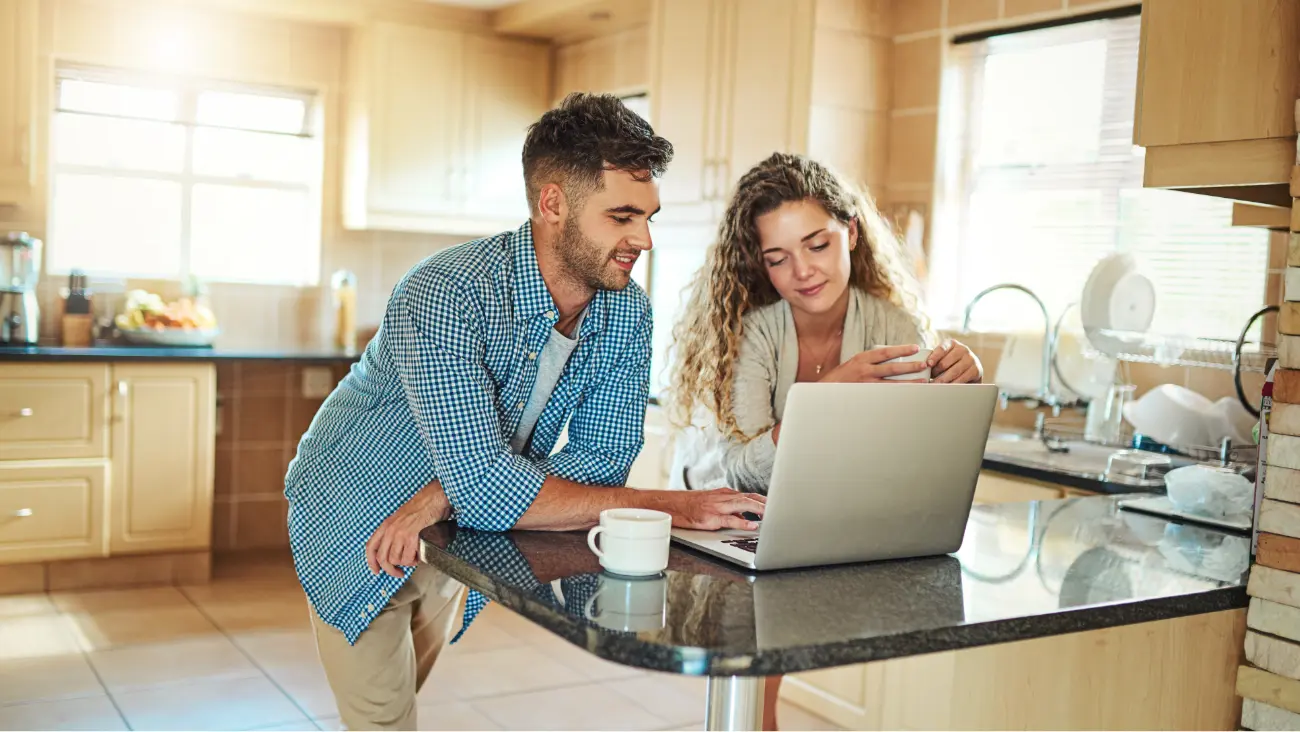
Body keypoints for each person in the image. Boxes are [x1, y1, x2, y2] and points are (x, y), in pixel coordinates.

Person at [284, 93, 767, 732]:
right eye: (622, 216)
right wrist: (678, 506)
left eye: (648, 217)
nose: (643, 240)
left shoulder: (627, 311)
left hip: (445, 526)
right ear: (552, 204)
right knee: (382, 719)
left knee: (404, 695)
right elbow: (484, 481)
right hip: (355, 512)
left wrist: (443, 495)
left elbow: (598, 462)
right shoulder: (445, 292)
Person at [664, 152, 982, 729]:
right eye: (779, 258)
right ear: (761, 265)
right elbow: (739, 469)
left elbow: (914, 451)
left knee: (770, 659)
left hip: (817, 514)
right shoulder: (754, 333)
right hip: (720, 508)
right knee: (750, 656)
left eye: (818, 244)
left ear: (851, 232)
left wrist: (960, 383)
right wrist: (828, 393)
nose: (804, 272)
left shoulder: (892, 327)